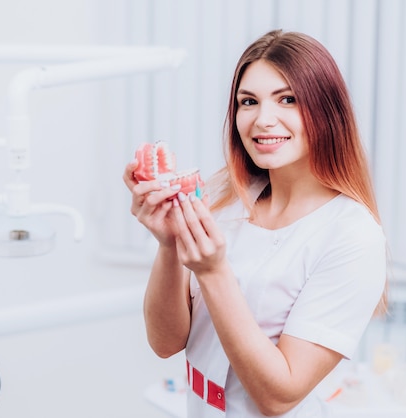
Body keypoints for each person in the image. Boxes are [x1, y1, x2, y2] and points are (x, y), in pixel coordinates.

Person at [123, 29, 387, 418]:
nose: (263, 119)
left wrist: (212, 271)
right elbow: (165, 342)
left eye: (287, 99)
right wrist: (168, 246)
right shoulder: (222, 198)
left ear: (327, 111)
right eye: (249, 102)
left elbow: (278, 397)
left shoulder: (352, 236)